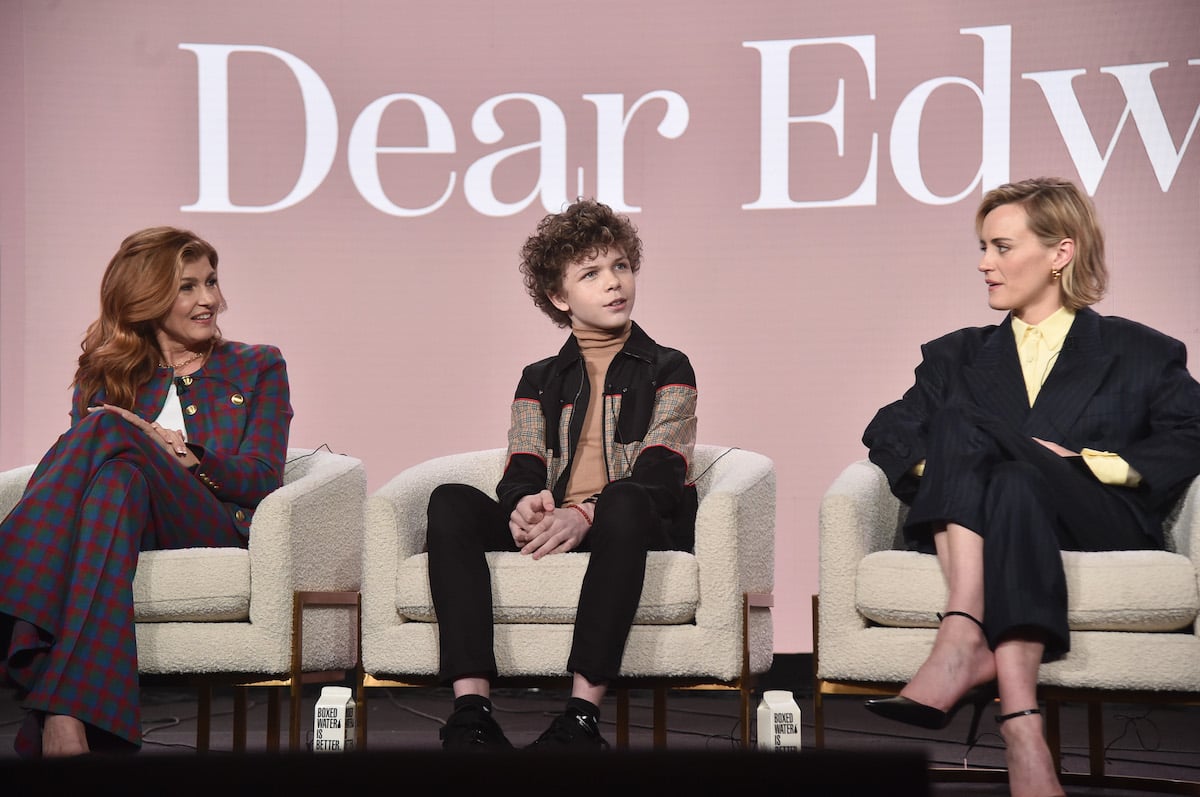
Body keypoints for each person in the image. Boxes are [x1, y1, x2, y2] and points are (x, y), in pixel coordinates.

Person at [861, 177, 1200, 797]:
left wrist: (1091, 463)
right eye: (983, 249)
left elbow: (1190, 432)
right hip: (1000, 519)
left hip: (1096, 514)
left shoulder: (1141, 351)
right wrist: (962, 474)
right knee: (1010, 477)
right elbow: (889, 430)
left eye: (1001, 247)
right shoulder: (955, 355)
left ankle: (962, 631)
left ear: (1060, 253)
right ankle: (1022, 727)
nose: (985, 264)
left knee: (966, 425)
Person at [0, 227, 293, 756]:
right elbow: (84, 482)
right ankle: (64, 718)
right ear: (147, 296)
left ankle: (10, 564)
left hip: (207, 522)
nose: (208, 299)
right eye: (187, 287)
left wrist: (190, 456)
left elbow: (264, 475)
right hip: (120, 523)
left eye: (211, 281)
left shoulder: (258, 364)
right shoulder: (106, 373)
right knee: (117, 480)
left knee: (109, 430)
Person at [425, 198, 698, 750]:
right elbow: (523, 462)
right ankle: (472, 710)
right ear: (559, 297)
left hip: (629, 521)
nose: (614, 283)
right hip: (560, 520)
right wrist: (524, 504)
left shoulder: (668, 365)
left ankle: (580, 715)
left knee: (622, 498)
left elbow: (662, 470)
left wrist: (587, 513)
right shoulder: (540, 377)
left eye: (621, 266)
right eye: (591, 273)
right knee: (449, 500)